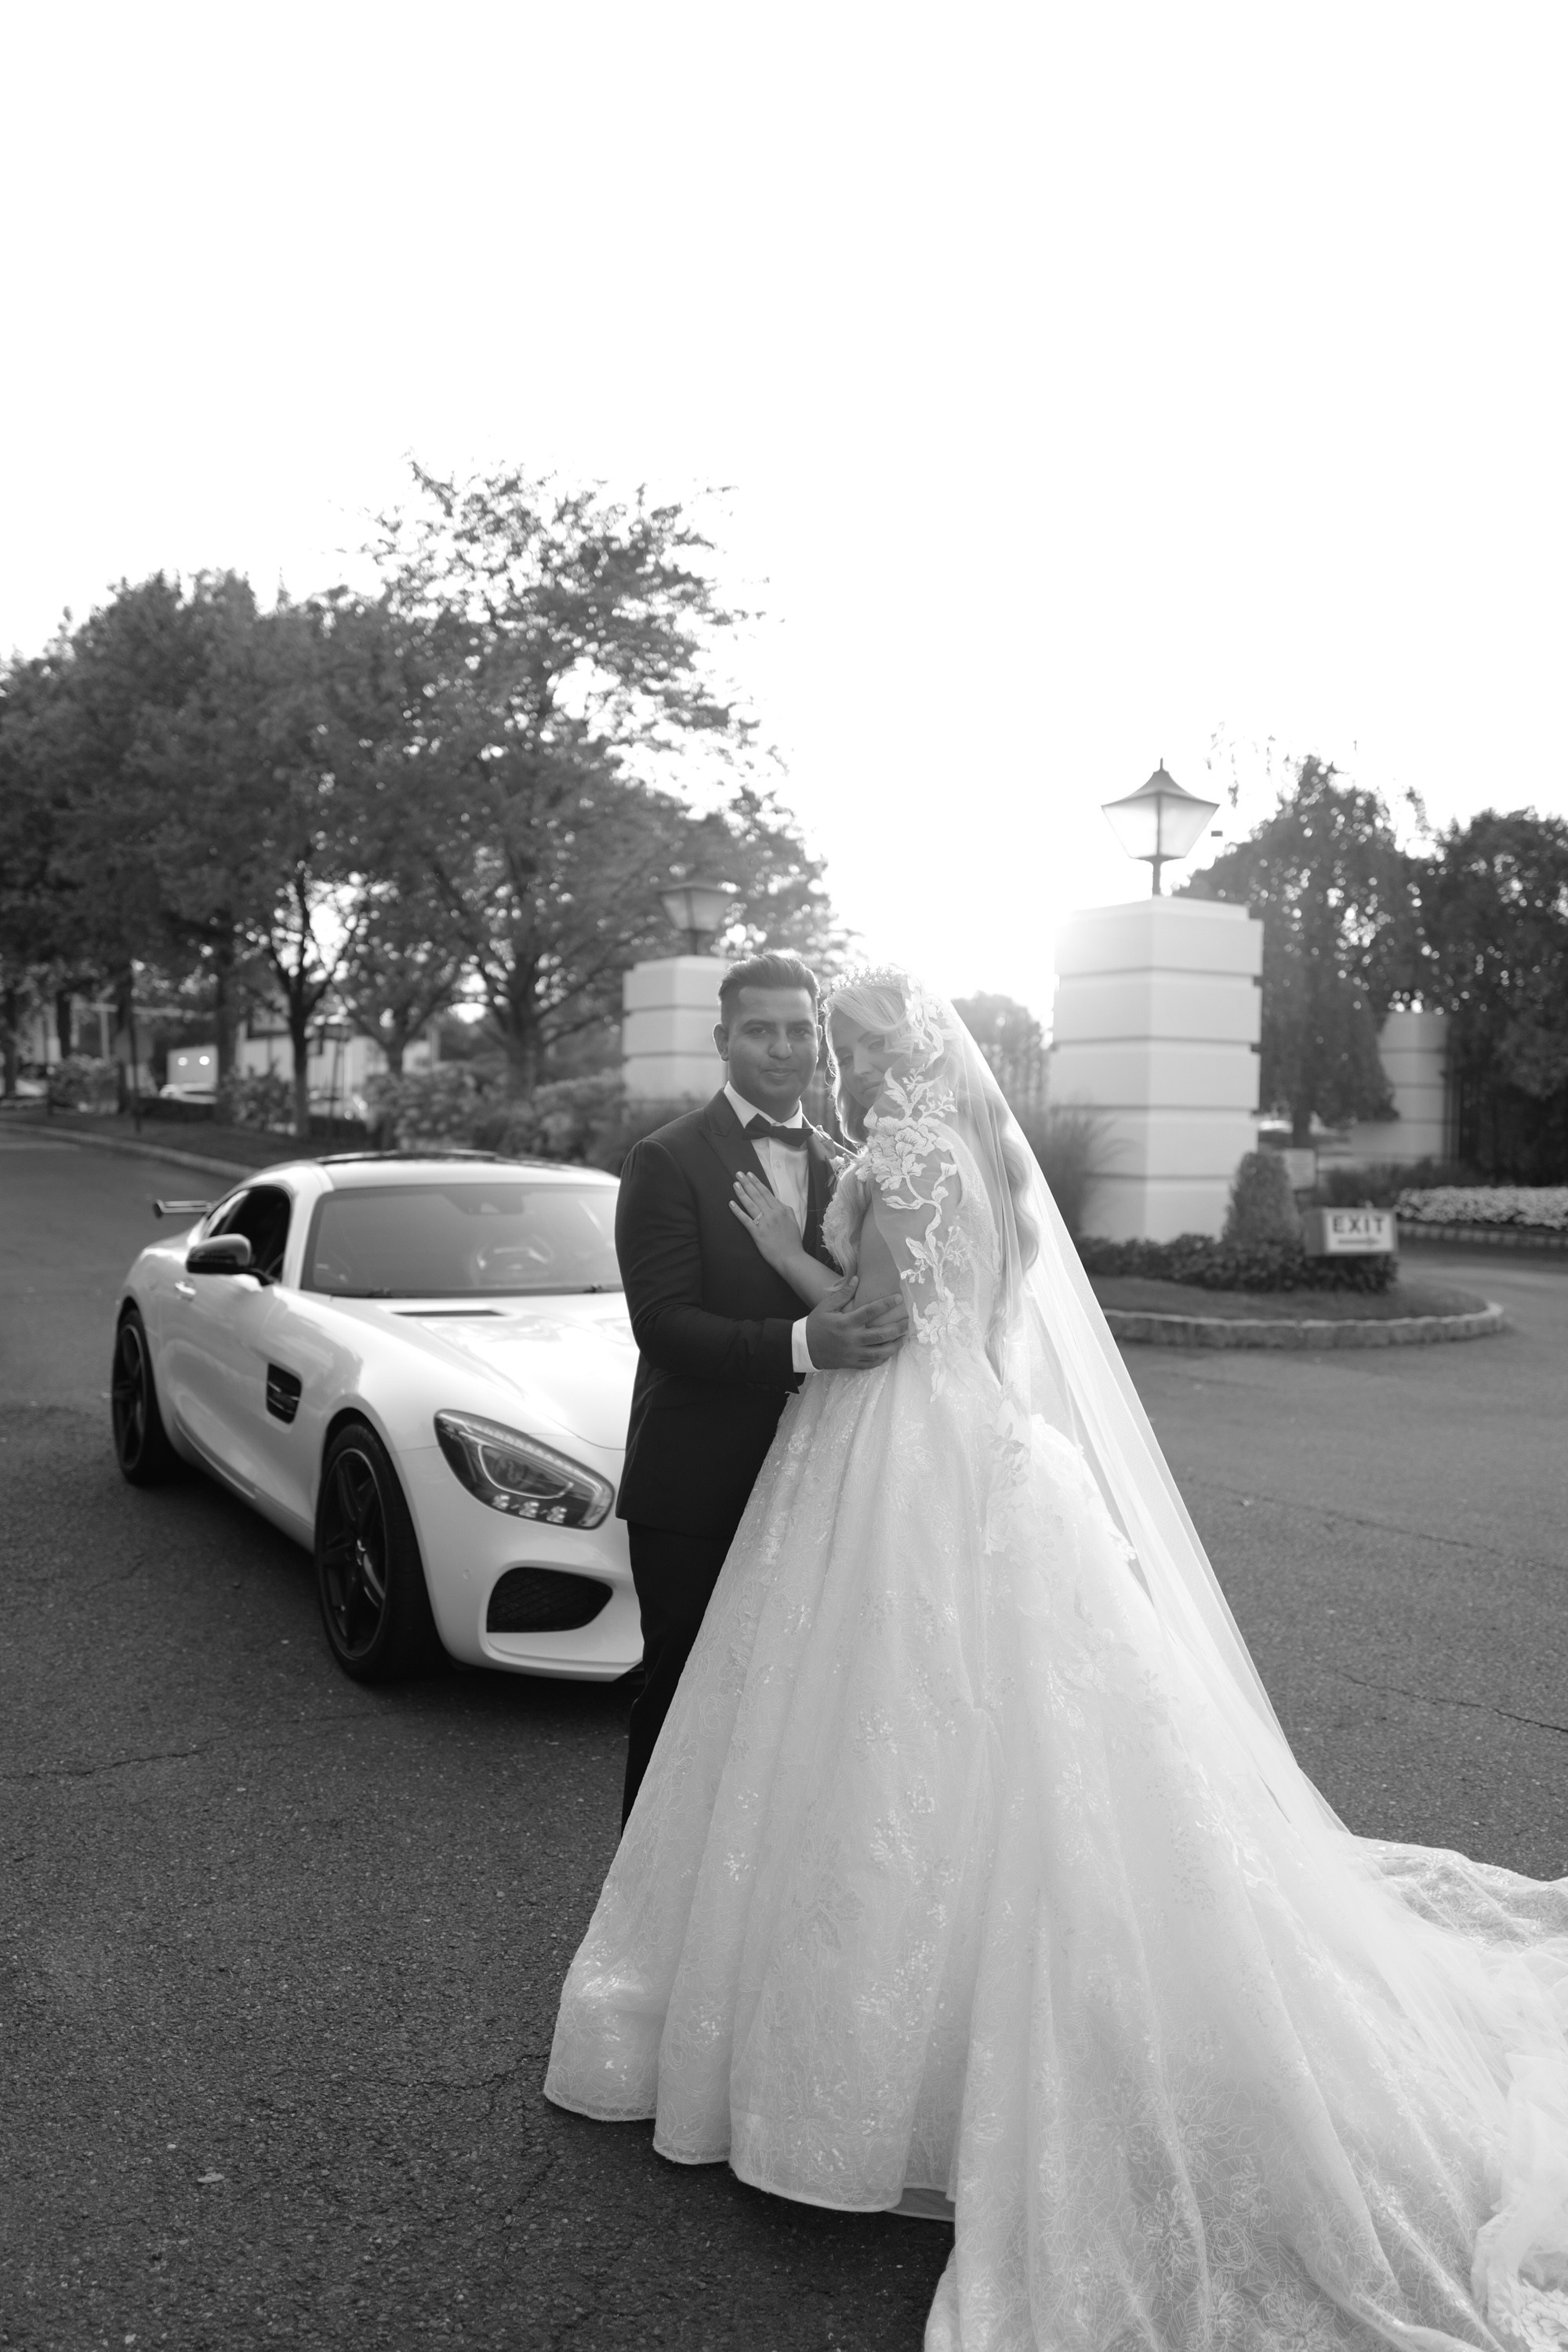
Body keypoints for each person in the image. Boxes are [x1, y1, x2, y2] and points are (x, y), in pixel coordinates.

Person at [550, 965, 1568, 2352]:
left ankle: (838, 2041)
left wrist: (790, 1254)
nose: (824, 1059)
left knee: (890, 1723)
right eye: (797, 1036)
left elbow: (881, 1319)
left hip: (898, 1455)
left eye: (840, 1037)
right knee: (913, 1727)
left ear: (895, 1046)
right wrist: (804, 1273)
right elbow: (696, 1320)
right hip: (941, 1452)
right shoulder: (950, 1155)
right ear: (731, 1038)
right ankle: (733, 1988)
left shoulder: (899, 1152)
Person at [612, 949, 908, 1825]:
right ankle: (640, 1924)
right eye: (758, 1030)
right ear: (722, 1040)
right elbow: (659, 1323)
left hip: (823, 1479)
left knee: (789, 1707)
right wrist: (799, 1344)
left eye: (796, 1030)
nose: (781, 1049)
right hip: (697, 1480)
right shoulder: (664, 1158)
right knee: (678, 1696)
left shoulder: (851, 1161)